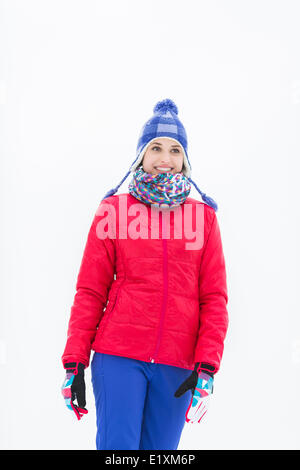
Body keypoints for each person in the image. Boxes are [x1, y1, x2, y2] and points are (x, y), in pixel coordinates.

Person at [61, 98, 229, 450]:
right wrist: (75, 361)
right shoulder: (113, 211)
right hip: (119, 356)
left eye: (174, 150)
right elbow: (90, 291)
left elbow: (214, 299)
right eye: (155, 147)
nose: (165, 159)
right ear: (141, 154)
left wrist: (207, 367)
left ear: (185, 160)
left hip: (177, 365)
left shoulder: (204, 219)